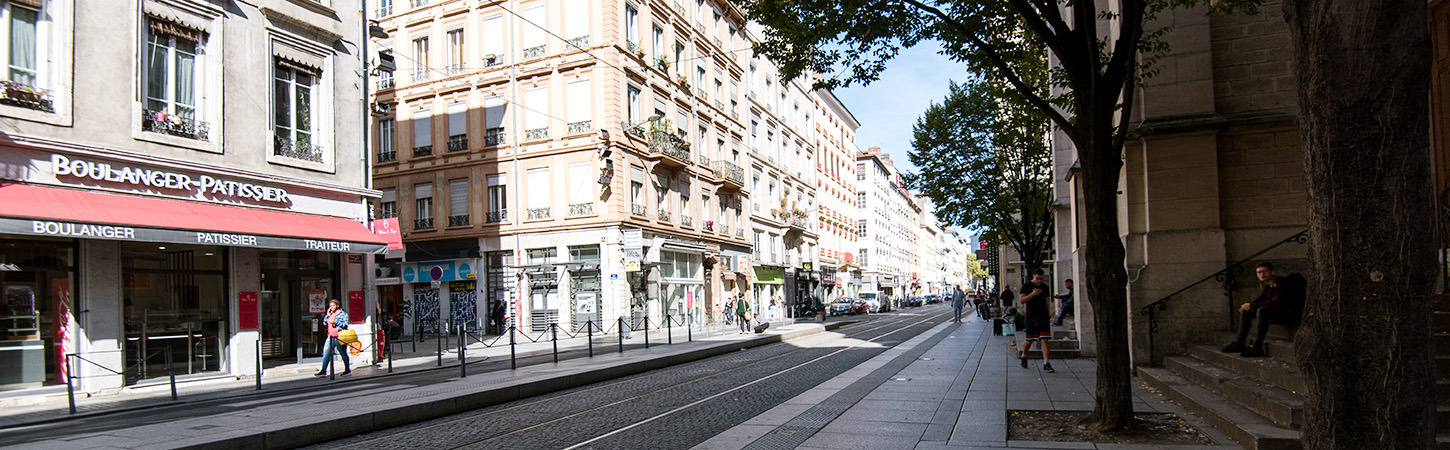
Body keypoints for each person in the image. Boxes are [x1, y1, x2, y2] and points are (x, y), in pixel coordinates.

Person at [1221, 262, 1305, 358]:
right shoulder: (1268, 286)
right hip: (1279, 313)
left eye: (1264, 271)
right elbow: (1259, 300)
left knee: (1262, 310)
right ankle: (1239, 343)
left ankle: (1257, 346)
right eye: (1259, 272)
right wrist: (1248, 306)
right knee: (1247, 311)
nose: (1262, 274)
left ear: (1272, 272)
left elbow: (1275, 302)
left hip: (1291, 315)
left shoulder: (1281, 283)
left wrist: (1252, 305)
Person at [1018, 270, 1054, 373]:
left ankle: (1046, 363)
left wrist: (1048, 314)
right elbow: (1022, 300)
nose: (1039, 281)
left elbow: (1047, 302)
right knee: (1029, 339)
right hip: (1031, 316)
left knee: (1045, 339)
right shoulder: (1026, 286)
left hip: (1043, 316)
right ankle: (1024, 355)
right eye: (1037, 278)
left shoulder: (1045, 287)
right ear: (1033, 276)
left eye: (1041, 279)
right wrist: (1032, 294)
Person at [316, 299, 352, 377]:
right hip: (330, 336)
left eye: (333, 305)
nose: (331, 307)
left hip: (339, 336)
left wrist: (336, 322)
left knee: (343, 353)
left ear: (337, 306)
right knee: (326, 354)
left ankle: (347, 370)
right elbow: (325, 323)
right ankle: (323, 370)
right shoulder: (331, 314)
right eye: (330, 306)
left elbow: (345, 324)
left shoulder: (342, 314)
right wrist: (327, 315)